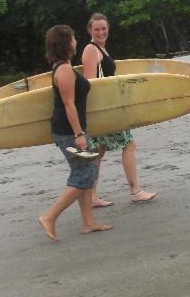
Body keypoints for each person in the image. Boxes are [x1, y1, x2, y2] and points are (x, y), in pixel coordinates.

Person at [38, 25, 112, 242]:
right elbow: (69, 105)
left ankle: (88, 222)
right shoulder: (63, 70)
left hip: (72, 129)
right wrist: (79, 134)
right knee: (83, 174)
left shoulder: (64, 67)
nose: (76, 41)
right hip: (69, 131)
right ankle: (49, 216)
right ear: (65, 43)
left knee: (87, 171)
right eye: (72, 38)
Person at [81, 13, 157, 207]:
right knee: (129, 144)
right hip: (105, 109)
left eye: (103, 28)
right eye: (96, 29)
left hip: (106, 108)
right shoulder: (91, 50)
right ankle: (135, 191)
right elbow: (89, 83)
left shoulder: (101, 49)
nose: (101, 32)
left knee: (99, 150)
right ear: (89, 30)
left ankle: (91, 197)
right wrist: (104, 110)